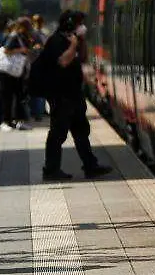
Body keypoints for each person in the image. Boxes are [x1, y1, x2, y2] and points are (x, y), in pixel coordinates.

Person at [40, 10, 112, 181]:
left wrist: (80, 41)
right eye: (79, 23)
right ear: (70, 24)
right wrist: (73, 45)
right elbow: (63, 61)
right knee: (58, 134)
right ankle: (51, 170)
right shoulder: (56, 41)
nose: (82, 27)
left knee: (81, 131)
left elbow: (83, 58)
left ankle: (90, 166)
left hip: (73, 94)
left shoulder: (71, 40)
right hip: (61, 96)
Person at [0, 18, 33, 131]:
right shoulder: (14, 36)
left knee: (19, 97)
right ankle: (5, 122)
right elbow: (6, 50)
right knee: (7, 97)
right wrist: (21, 50)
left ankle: (18, 121)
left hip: (18, 72)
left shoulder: (23, 37)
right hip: (8, 72)